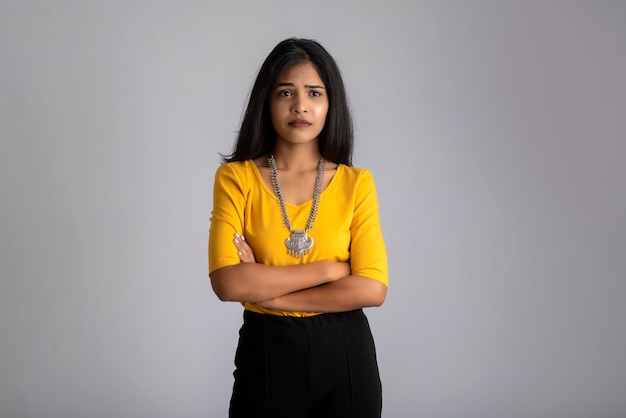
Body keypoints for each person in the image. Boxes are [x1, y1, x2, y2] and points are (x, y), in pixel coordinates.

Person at [208, 37, 388, 418]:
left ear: (330, 104)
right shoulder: (236, 179)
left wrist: (271, 295)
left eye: (314, 93)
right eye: (285, 92)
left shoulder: (357, 183)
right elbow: (228, 283)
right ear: (267, 101)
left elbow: (372, 288)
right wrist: (328, 271)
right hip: (268, 353)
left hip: (346, 353)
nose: (300, 105)